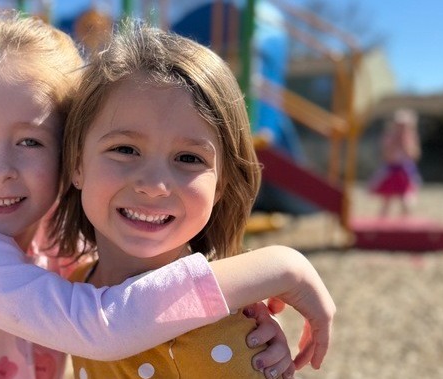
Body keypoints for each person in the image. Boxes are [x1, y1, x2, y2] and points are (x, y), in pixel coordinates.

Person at [0, 16, 334, 379]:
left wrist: (238, 312)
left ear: (72, 154)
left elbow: (138, 290)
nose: (0, 170)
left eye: (30, 141)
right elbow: (100, 325)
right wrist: (277, 269)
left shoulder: (56, 242)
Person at [50, 23, 306, 379]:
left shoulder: (231, 340)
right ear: (77, 162)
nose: (154, 185)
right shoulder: (76, 283)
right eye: (125, 149)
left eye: (189, 158)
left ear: (221, 185)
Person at [368, 108, 422, 217]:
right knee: (387, 199)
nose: (401, 128)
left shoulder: (411, 138)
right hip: (391, 170)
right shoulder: (389, 137)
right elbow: (385, 155)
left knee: (405, 199)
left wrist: (406, 146)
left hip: (404, 171)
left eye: (404, 126)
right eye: (399, 125)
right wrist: (394, 144)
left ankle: (406, 224)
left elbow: (415, 155)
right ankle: (382, 224)